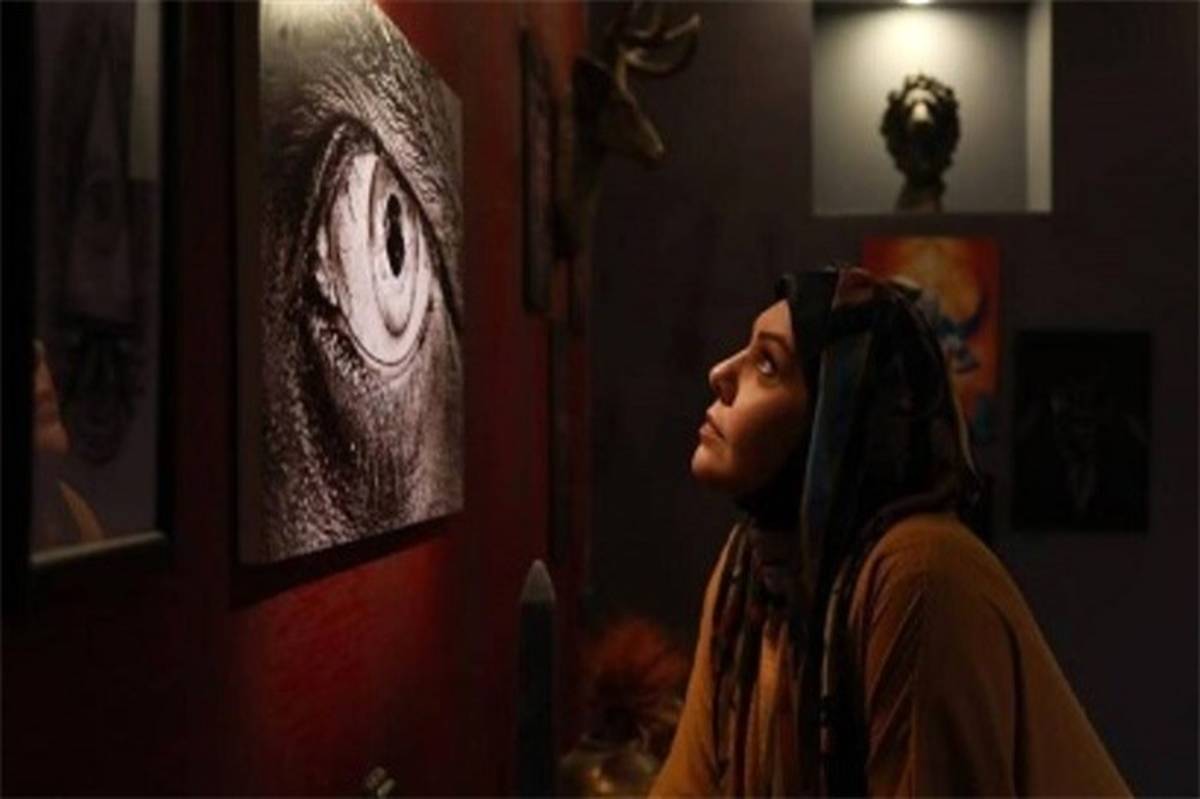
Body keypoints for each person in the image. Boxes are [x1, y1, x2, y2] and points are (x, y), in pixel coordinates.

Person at [650, 266, 1130, 796]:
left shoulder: (918, 572)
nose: (720, 372)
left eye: (768, 364)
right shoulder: (750, 568)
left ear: (839, 416)